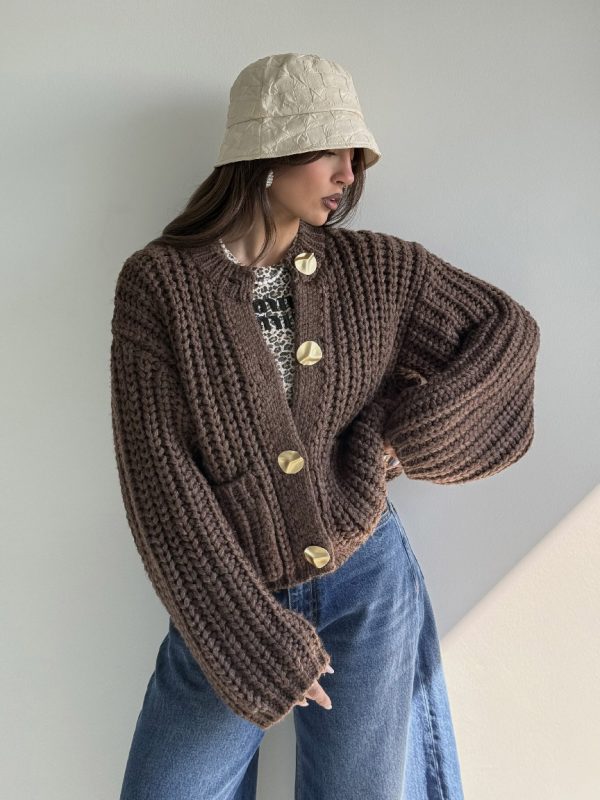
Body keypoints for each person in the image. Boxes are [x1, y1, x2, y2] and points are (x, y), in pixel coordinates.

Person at [111, 53, 541, 799]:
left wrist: (404, 436)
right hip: (226, 592)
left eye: (355, 157)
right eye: (329, 151)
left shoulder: (375, 269)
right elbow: (160, 480)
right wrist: (249, 636)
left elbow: (506, 332)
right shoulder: (162, 285)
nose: (349, 173)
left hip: (367, 582)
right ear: (266, 152)